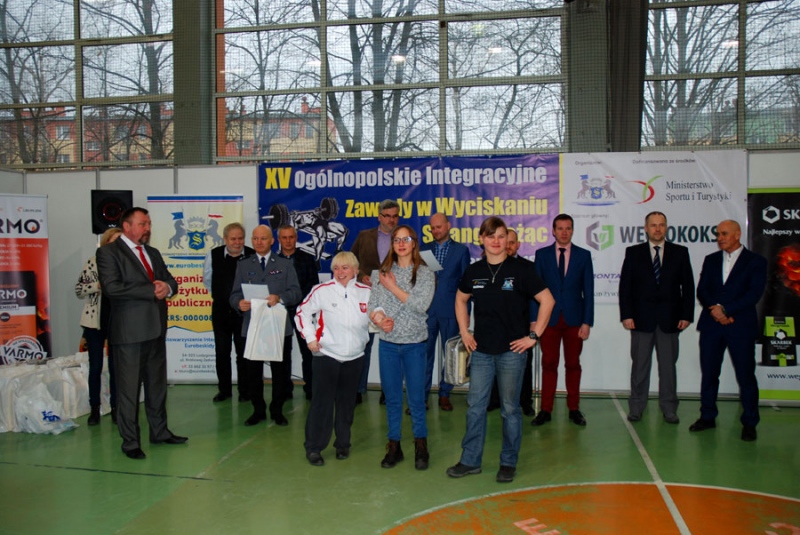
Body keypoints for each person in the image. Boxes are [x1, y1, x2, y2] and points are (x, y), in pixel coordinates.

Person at [446, 217, 554, 484]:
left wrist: (533, 336)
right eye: (491, 236)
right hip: (481, 352)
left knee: (510, 409)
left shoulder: (522, 269)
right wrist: (465, 331)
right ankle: (470, 460)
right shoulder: (474, 271)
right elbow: (460, 299)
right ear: (481, 239)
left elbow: (547, 300)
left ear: (508, 240)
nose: (496, 241)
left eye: (501, 236)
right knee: (475, 407)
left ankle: (508, 462)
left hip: (512, 353)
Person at [96, 207, 184, 460]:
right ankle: (130, 441)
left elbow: (170, 280)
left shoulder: (152, 252)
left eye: (149, 224)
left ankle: (160, 432)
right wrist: (151, 290)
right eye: (143, 224)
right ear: (127, 226)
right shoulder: (108, 253)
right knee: (129, 391)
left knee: (157, 387)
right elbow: (112, 288)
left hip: (155, 331)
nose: (148, 228)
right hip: (129, 334)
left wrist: (167, 287)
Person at [691, 220, 767, 442]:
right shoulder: (711, 260)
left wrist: (726, 310)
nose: (720, 238)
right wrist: (716, 310)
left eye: (724, 234)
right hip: (711, 326)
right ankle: (707, 416)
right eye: (718, 234)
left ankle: (750, 422)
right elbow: (702, 290)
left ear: (737, 234)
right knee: (709, 374)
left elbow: (754, 293)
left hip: (740, 327)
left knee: (745, 376)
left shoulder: (756, 261)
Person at [368, 225, 435, 470]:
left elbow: (420, 305)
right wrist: (379, 319)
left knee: (416, 399)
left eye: (406, 239)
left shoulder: (425, 273)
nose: (401, 243)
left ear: (414, 242)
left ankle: (421, 445)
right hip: (388, 345)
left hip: (414, 345)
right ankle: (394, 446)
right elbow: (373, 305)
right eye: (397, 239)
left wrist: (393, 287)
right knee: (393, 399)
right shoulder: (382, 273)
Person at [295, 252, 371, 466]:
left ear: (356, 270)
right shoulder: (321, 291)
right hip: (327, 355)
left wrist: (381, 318)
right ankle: (314, 447)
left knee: (347, 404)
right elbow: (301, 313)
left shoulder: (367, 292)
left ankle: (343, 444)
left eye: (345, 268)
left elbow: (377, 314)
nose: (340, 272)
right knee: (322, 404)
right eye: (336, 268)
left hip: (355, 357)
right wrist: (310, 338)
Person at [619, 211, 695, 424]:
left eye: (661, 225)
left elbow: (688, 286)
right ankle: (636, 407)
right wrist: (627, 314)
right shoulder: (633, 252)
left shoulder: (680, 252)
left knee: (668, 369)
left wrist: (686, 315)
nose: (658, 229)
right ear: (646, 228)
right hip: (641, 320)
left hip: (670, 320)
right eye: (653, 225)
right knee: (640, 367)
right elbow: (625, 287)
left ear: (666, 227)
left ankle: (669, 408)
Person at [230, 225, 301, 427]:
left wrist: (280, 298)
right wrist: (238, 303)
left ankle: (277, 410)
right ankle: (258, 410)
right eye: (255, 238)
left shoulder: (284, 264)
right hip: (253, 325)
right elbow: (234, 294)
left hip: (278, 326)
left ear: (272, 241)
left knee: (280, 371)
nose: (259, 242)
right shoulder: (243, 265)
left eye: (263, 238)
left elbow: (296, 292)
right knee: (253, 372)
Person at [531, 214, 594, 427]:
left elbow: (588, 291)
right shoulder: (542, 255)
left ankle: (574, 408)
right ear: (553, 230)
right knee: (549, 364)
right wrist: (534, 320)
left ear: (572, 230)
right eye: (560, 228)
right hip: (548, 320)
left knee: (573, 364)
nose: (564, 232)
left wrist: (587, 322)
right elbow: (535, 290)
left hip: (574, 320)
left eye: (568, 228)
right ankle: (546, 409)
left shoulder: (583, 256)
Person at [350, 198, 400, 404]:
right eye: (387, 216)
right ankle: (357, 389)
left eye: (395, 216)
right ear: (379, 217)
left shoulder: (403, 238)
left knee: (391, 347)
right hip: (367, 297)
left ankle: (388, 391)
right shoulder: (364, 236)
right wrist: (362, 275)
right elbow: (351, 262)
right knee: (364, 344)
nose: (391, 220)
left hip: (394, 297)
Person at [421, 213, 470, 412]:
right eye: (432, 228)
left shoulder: (461, 251)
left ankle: (444, 394)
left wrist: (466, 314)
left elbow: (466, 285)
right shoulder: (424, 250)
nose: (435, 231)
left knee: (450, 354)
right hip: (427, 311)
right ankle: (421, 397)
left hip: (451, 310)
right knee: (424, 356)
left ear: (448, 226)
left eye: (439, 227)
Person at [202, 222, 254, 403]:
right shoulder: (213, 255)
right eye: (233, 239)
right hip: (221, 313)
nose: (237, 242)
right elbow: (207, 280)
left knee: (243, 353)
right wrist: (223, 296)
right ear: (225, 239)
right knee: (222, 352)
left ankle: (245, 391)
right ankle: (224, 390)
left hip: (245, 314)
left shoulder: (252, 255)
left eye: (240, 238)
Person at [75, 227, 122, 426]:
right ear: (106, 242)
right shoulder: (93, 262)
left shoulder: (126, 263)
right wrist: (98, 286)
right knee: (95, 367)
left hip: (118, 321)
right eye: (114, 240)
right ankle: (94, 408)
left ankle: (116, 408)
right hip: (94, 322)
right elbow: (79, 289)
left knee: (116, 368)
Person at [276, 224, 320, 400]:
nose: (288, 241)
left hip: (303, 311)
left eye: (291, 237)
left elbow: (313, 285)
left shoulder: (307, 259)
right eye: (284, 237)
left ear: (296, 238)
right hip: (280, 312)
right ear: (279, 240)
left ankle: (311, 388)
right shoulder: (273, 260)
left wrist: (298, 301)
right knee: (283, 352)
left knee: (308, 351)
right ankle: (285, 388)